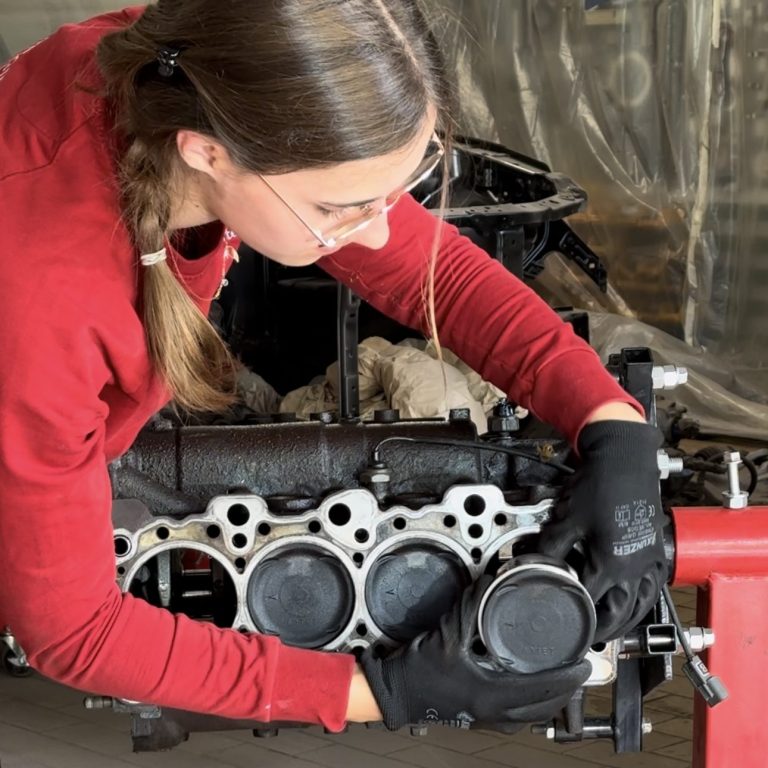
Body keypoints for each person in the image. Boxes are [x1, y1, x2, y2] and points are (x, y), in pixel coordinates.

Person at [0, 0, 667, 734]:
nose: (376, 233)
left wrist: (611, 424)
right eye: (341, 208)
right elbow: (74, 629)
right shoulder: (46, 295)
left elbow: (436, 275)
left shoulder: (195, 69)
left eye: (392, 193)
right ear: (206, 153)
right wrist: (384, 692)